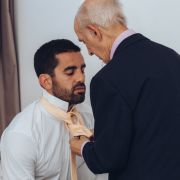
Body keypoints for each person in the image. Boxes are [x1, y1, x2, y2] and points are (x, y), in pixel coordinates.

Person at [69, 0, 180, 180]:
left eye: (84, 41)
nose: (88, 51)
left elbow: (106, 160)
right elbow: (157, 124)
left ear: (95, 31)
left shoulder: (107, 79)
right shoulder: (172, 57)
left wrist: (82, 147)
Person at [0, 39, 99, 180]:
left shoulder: (87, 114)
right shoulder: (21, 134)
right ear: (46, 81)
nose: (81, 77)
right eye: (70, 72)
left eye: (82, 70)